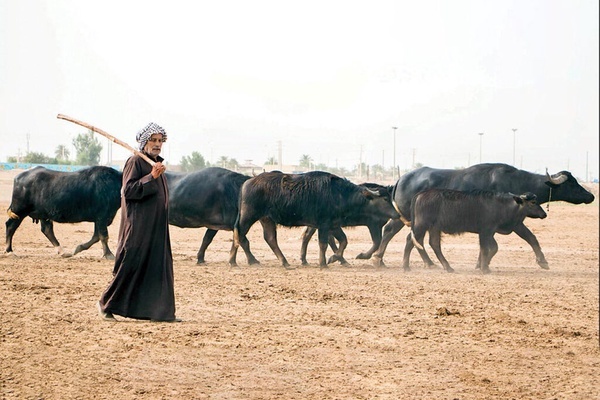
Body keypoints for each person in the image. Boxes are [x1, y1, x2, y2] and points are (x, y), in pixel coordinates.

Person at [97, 122, 180, 322]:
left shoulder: (156, 164)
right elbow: (128, 191)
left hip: (156, 228)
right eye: (153, 140)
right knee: (131, 265)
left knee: (158, 268)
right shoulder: (135, 162)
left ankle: (161, 313)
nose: (157, 144)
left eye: (160, 140)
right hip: (138, 228)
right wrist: (150, 177)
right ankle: (106, 305)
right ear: (144, 142)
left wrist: (155, 174)